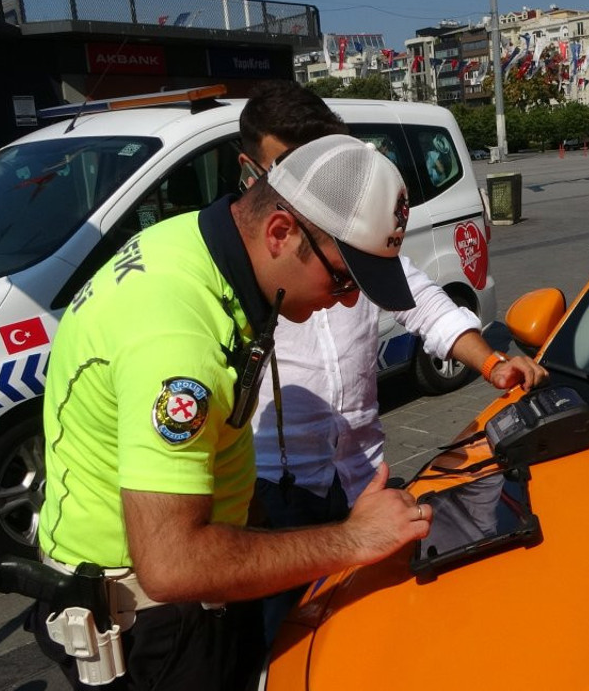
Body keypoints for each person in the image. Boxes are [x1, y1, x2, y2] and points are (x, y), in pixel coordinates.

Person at [32, 133, 430, 690]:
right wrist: (353, 539)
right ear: (280, 232)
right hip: (153, 627)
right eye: (343, 278)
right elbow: (172, 563)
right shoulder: (176, 338)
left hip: (186, 595)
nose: (345, 301)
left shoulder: (203, 249)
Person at [238, 81, 547, 635]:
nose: (312, 187)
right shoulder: (245, 263)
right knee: (287, 633)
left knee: (371, 621)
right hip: (276, 490)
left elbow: (425, 304)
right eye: (290, 168)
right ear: (250, 172)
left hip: (362, 475)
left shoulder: (356, 237)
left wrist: (492, 364)